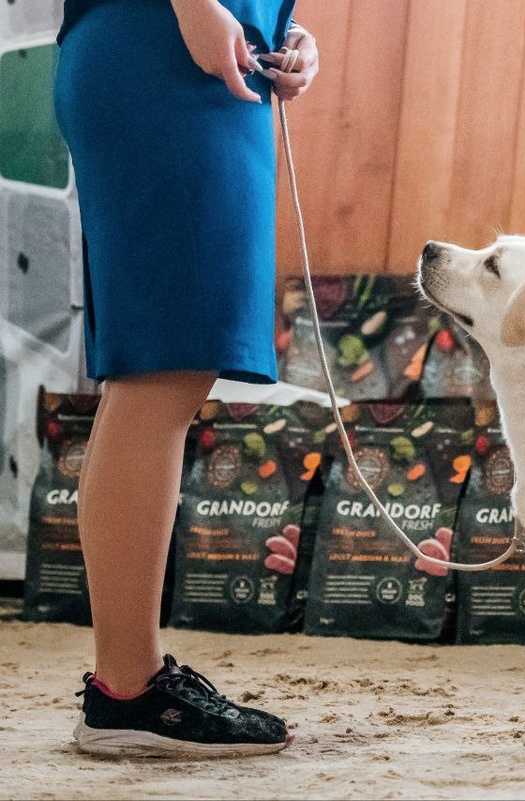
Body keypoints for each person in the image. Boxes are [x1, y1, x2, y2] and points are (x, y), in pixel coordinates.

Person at [53, 0, 318, 757]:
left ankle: (127, 681)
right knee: (162, 370)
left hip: (194, 64)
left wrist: (290, 34)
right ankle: (128, 690)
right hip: (164, 57)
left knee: (159, 373)